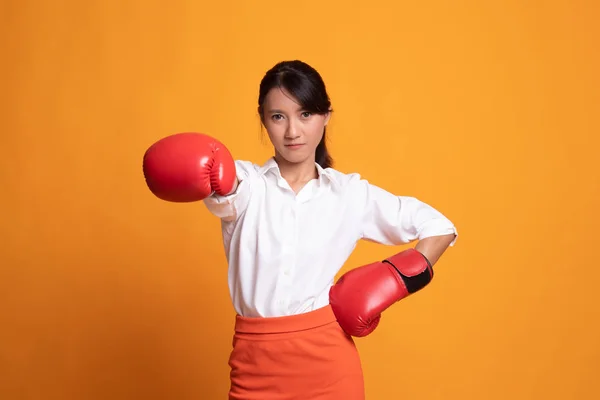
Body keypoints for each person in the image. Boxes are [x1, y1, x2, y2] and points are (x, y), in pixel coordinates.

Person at [142, 60, 458, 399]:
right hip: (254, 365)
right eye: (278, 116)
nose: (293, 131)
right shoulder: (245, 184)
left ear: (325, 117)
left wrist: (396, 278)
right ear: (263, 119)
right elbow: (223, 187)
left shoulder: (349, 194)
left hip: (328, 365)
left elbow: (440, 226)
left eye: (305, 114)